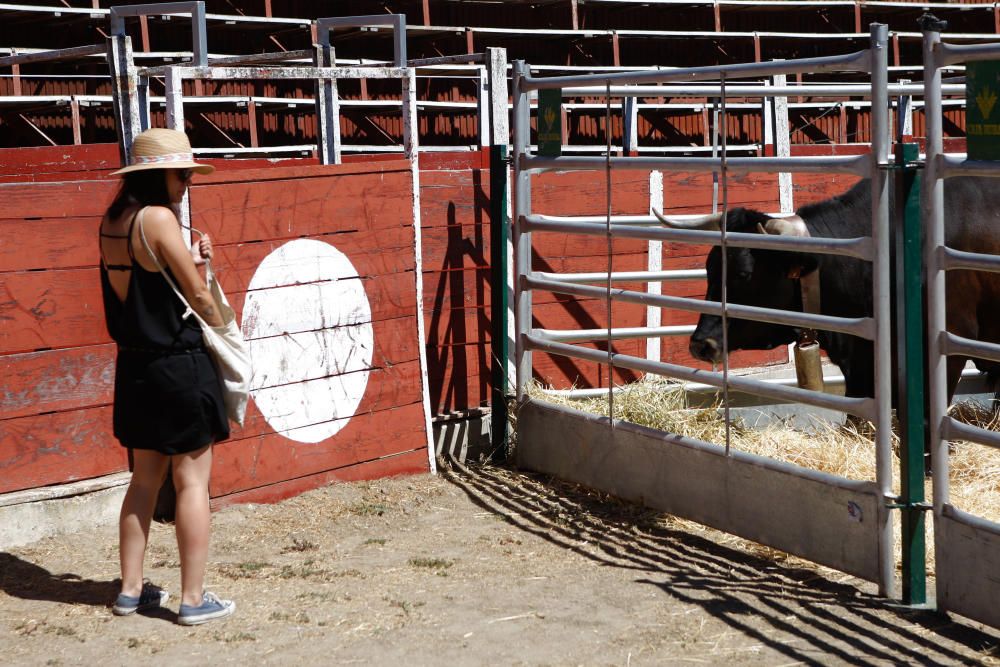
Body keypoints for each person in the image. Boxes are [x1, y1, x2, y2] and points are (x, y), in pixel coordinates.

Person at [99, 128, 236, 626]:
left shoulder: (115, 218)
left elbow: (144, 284)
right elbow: (197, 297)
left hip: (135, 366)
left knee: (143, 480)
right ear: (161, 175)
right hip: (178, 364)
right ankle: (193, 599)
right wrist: (222, 322)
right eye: (183, 175)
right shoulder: (158, 218)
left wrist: (188, 265)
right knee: (192, 481)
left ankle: (131, 591)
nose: (186, 184)